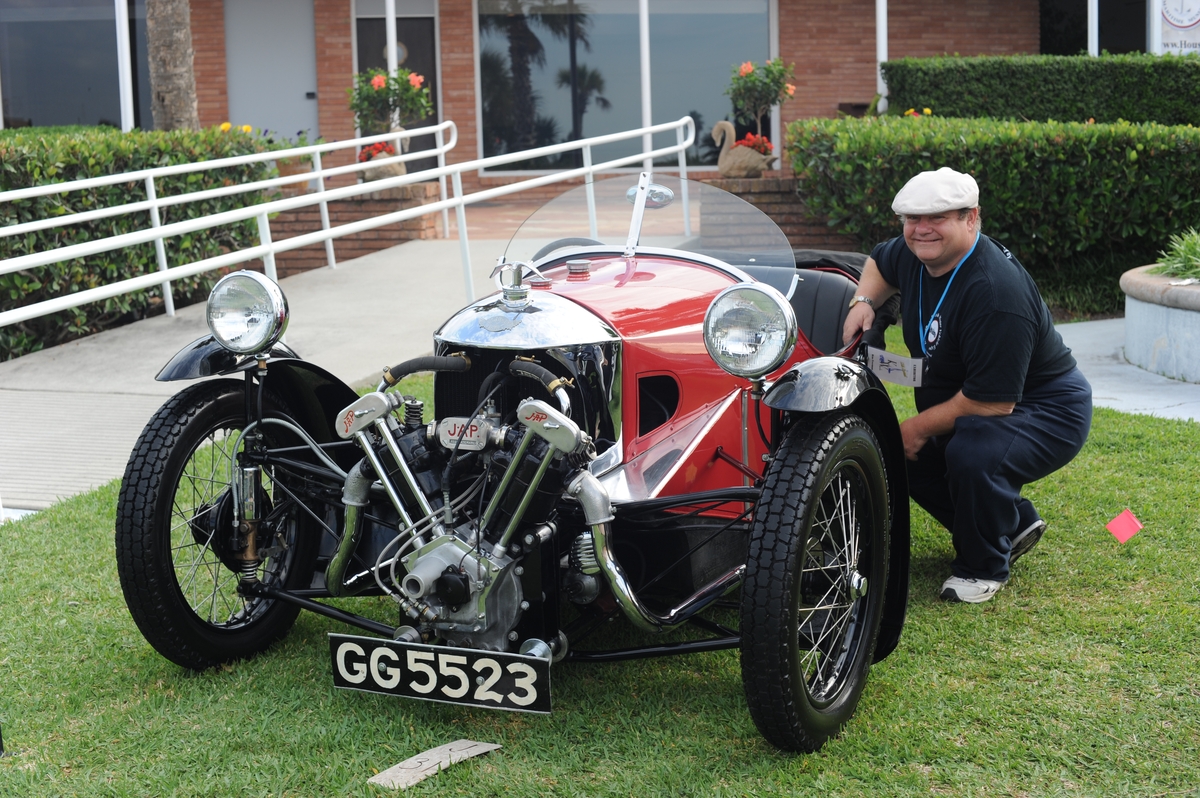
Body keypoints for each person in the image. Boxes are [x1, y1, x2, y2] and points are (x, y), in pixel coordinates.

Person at [842, 167, 1093, 603]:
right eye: (911, 219)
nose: (921, 230)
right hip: (976, 397)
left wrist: (916, 427)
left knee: (971, 451)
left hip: (1047, 408)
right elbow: (879, 261)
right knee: (900, 455)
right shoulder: (915, 251)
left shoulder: (996, 294)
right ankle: (1011, 524)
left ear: (971, 218)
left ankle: (982, 569)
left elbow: (992, 404)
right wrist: (864, 301)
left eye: (937, 217)